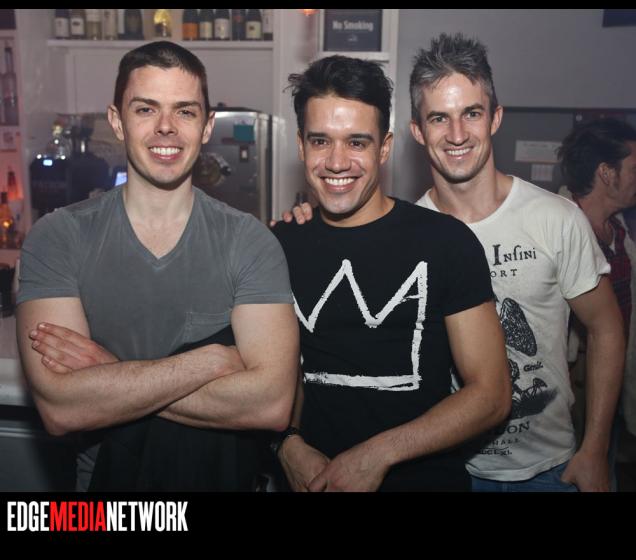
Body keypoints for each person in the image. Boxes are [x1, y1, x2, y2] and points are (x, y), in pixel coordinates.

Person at [286, 35, 625, 491]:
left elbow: (605, 329)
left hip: (546, 467)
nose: (458, 134)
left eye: (472, 113)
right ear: (417, 131)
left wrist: (596, 447)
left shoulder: (555, 219)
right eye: (439, 118)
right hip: (452, 463)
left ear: (495, 118)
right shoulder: (413, 230)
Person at [16, 41, 299, 491]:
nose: (166, 127)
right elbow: (62, 409)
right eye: (146, 109)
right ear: (117, 121)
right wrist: (209, 361)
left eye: (185, 111)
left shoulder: (249, 242)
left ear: (206, 126)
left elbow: (271, 404)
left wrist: (110, 370)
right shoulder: (58, 238)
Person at [271, 54, 511, 492]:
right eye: (321, 141)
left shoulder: (445, 242)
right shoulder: (277, 247)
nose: (337, 162)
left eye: (357, 142)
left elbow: (491, 395)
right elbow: (276, 375)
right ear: (301, 146)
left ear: (384, 148)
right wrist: (288, 445)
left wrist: (377, 455)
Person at [557, 118, 636, 470]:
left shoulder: (619, 230)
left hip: (618, 371)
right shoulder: (559, 226)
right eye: (634, 170)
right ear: (606, 172)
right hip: (577, 375)